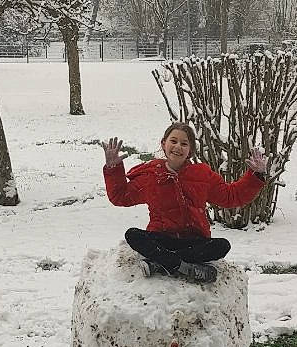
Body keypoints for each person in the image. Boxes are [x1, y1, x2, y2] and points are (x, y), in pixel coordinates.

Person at [102, 122, 268, 284]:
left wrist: (255, 176)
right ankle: (183, 266)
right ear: (164, 144)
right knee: (132, 234)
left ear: (190, 150)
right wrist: (113, 168)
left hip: (193, 242)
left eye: (184, 143)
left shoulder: (202, 175)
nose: (178, 147)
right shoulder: (151, 175)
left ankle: (160, 264)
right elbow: (120, 196)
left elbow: (231, 196)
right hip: (161, 239)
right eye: (173, 141)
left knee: (222, 246)